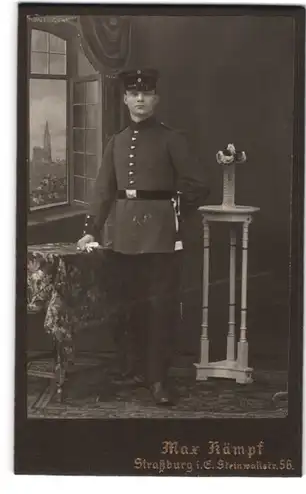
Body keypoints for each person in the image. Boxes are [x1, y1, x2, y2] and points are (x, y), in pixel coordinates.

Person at [77, 68, 209, 405]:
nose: (139, 99)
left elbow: (197, 185)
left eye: (146, 93)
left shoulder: (171, 138)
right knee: (127, 307)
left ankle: (158, 379)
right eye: (133, 93)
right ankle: (134, 369)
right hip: (123, 237)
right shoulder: (116, 141)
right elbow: (104, 190)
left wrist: (172, 208)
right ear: (124, 98)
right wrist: (91, 229)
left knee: (159, 309)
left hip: (161, 237)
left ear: (156, 99)